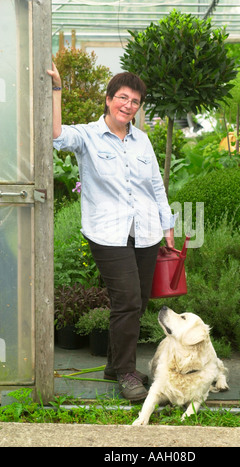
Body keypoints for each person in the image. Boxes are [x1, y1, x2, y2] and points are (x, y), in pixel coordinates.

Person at [47, 63, 176, 401]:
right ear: (108, 99)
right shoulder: (88, 135)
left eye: (135, 101)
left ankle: (114, 365)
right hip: (107, 233)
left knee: (139, 301)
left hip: (145, 232)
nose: (128, 105)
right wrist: (56, 90)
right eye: (122, 97)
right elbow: (56, 136)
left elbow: (156, 187)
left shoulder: (142, 141)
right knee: (128, 300)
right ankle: (126, 373)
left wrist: (168, 225)